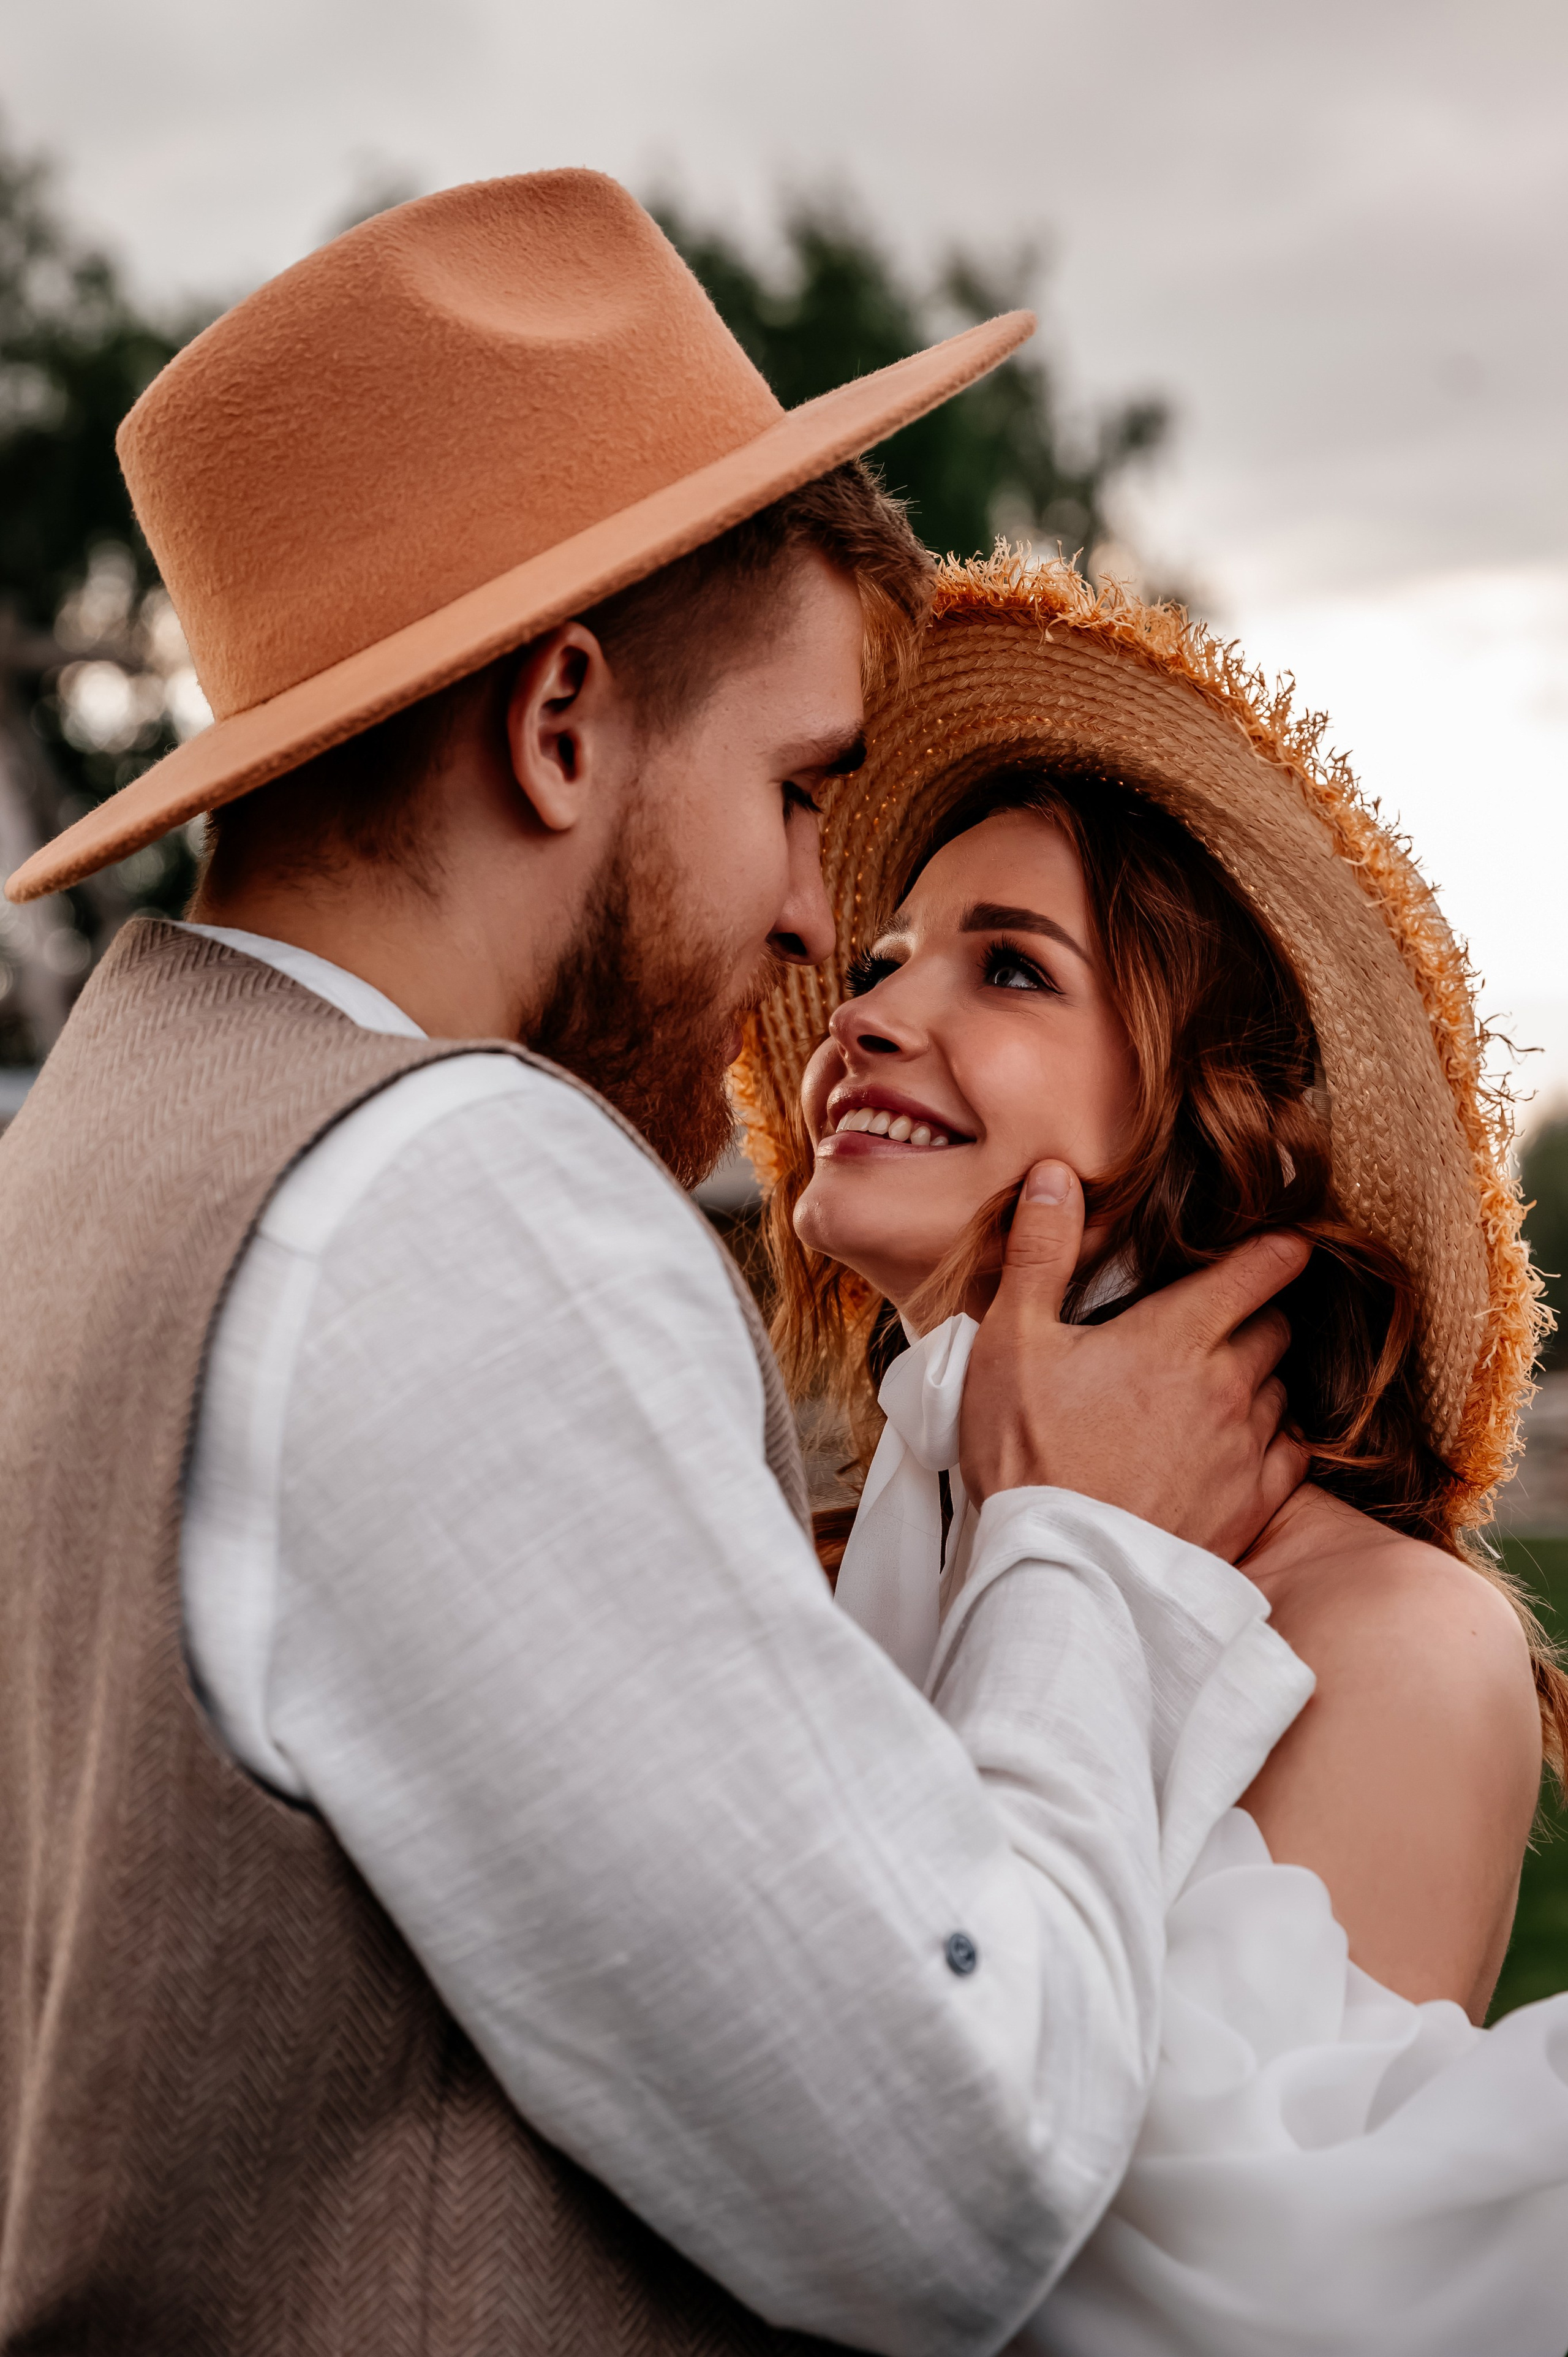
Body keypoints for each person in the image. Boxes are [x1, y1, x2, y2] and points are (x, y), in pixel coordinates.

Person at [0, 176, 1312, 2355]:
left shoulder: (86, 1162)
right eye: (802, 789)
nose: (818, 921)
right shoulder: (450, 1197)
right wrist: (1077, 1545)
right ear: (563, 724)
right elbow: (957, 2165)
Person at [737, 551, 1568, 2356]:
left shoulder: (1396, 1644)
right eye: (879, 962)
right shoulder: (858, 1546)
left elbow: (1221, 2293)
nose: (871, 1012)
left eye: (1009, 968)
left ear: (1223, 1112)